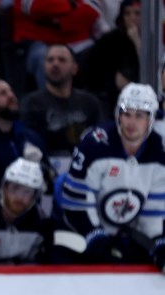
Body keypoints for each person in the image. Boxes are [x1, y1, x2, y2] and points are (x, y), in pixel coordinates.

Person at [55, 83, 165, 271]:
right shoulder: (94, 144)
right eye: (127, 114)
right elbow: (75, 203)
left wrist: (158, 242)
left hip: (125, 237)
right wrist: (93, 234)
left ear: (151, 119)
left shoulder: (159, 151)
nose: (131, 123)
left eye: (139, 116)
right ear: (118, 115)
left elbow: (153, 212)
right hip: (79, 233)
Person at [20, 44, 104, 176]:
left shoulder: (90, 103)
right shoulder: (31, 103)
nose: (55, 64)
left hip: (87, 169)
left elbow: (100, 139)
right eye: (50, 60)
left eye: (62, 60)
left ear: (74, 68)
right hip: (47, 171)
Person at [0, 78, 49, 191]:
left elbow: (50, 178)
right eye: (2, 93)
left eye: (10, 91)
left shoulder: (31, 137)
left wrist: (42, 168)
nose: (11, 95)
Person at [0, 156, 51, 263]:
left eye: (27, 191)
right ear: (4, 187)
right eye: (15, 188)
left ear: (34, 197)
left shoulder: (39, 220)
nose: (19, 196)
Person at [81, 0, 141, 116]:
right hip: (109, 96)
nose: (131, 17)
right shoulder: (109, 40)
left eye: (137, 13)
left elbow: (150, 68)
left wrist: (136, 42)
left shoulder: (154, 41)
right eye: (127, 13)